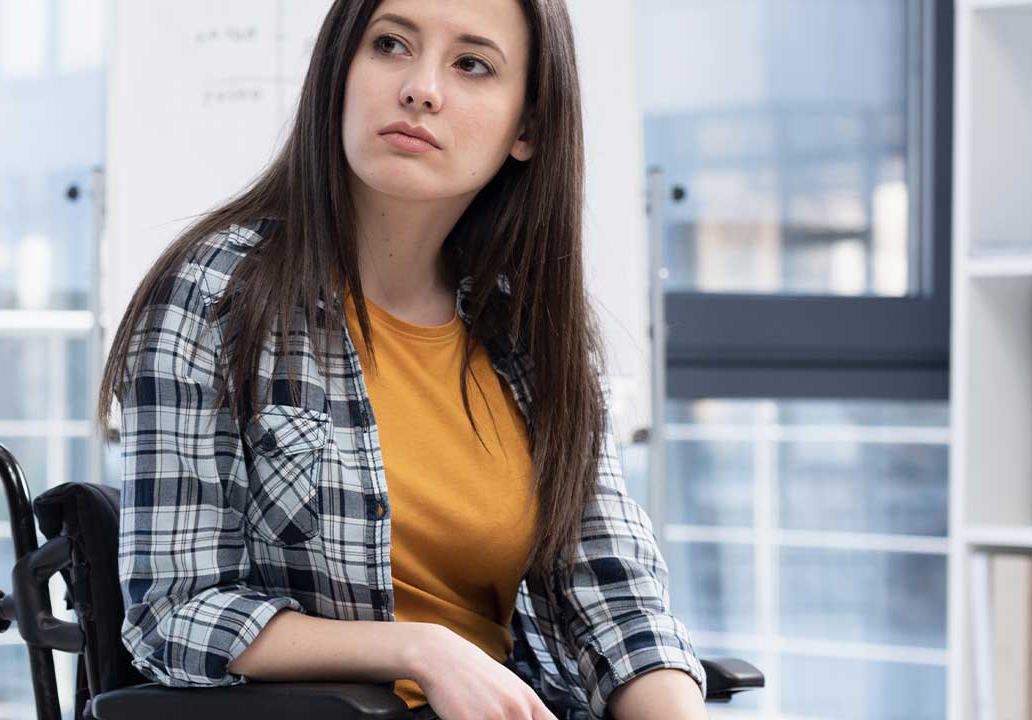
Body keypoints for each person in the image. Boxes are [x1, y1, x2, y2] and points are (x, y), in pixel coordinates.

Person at [98, 1, 706, 719]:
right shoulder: (213, 295)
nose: (421, 87)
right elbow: (175, 614)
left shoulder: (532, 334)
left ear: (527, 128)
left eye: (471, 64)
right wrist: (418, 649)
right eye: (389, 45)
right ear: (338, 73)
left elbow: (618, 599)